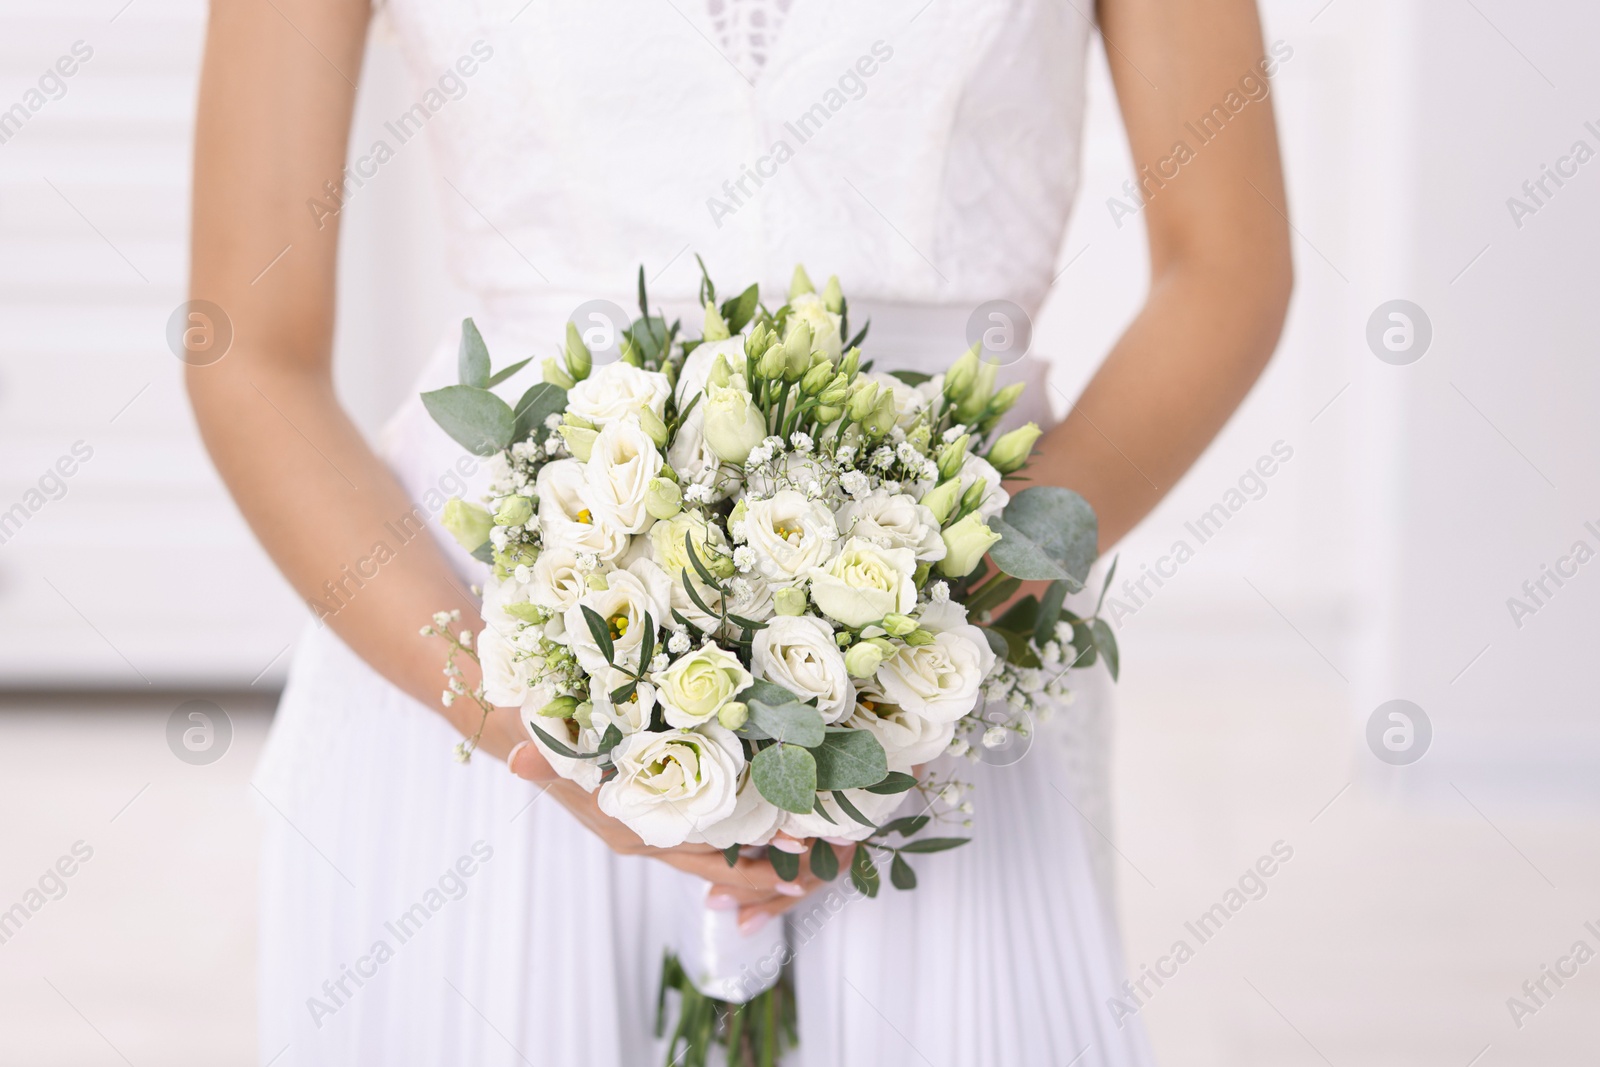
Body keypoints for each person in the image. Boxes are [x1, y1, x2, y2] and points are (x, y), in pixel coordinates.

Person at [187, 1, 1290, 1063]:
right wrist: (538, 722)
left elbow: (1226, 270)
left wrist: (926, 629)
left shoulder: (942, 629)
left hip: (957, 653)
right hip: (493, 633)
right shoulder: (510, 691)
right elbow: (247, 347)